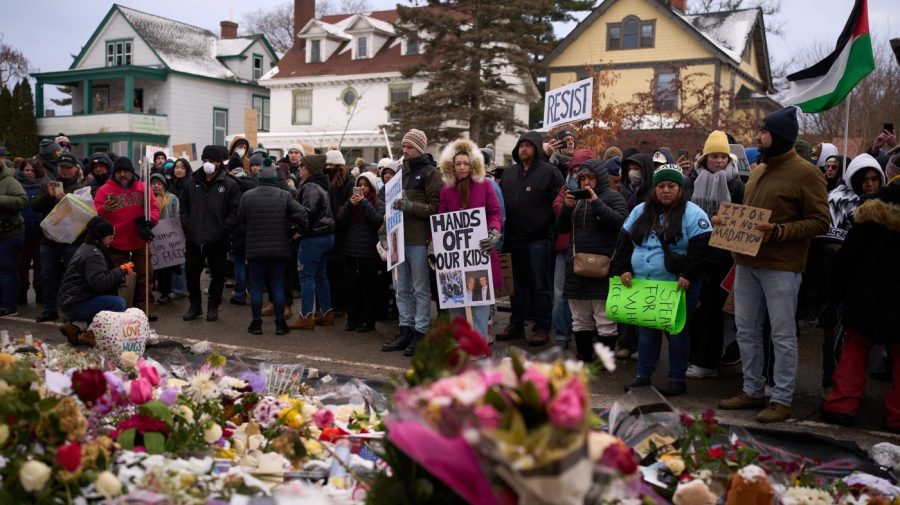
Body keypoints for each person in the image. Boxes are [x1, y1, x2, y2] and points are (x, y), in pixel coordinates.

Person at [718, 106, 830, 423]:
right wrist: (725, 222)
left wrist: (779, 232)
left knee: (781, 334)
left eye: (763, 132)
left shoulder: (807, 173)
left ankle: (781, 399)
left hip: (782, 266)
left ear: (779, 136)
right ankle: (752, 390)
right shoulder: (757, 171)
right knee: (746, 330)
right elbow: (747, 215)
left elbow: (821, 221)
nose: (757, 137)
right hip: (747, 262)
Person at [613, 164, 711, 396]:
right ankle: (642, 375)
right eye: (661, 186)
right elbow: (624, 242)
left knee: (677, 333)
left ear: (680, 188)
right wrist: (623, 268)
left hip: (677, 285)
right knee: (647, 333)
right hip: (644, 284)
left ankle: (677, 379)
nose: (666, 190)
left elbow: (700, 250)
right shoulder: (640, 211)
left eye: (671, 186)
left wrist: (688, 275)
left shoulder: (694, 214)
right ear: (654, 189)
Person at [820, 180, 900, 431]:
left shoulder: (867, 218)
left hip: (864, 295)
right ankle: (897, 417)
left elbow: (846, 260)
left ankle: (841, 407)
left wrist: (835, 294)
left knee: (854, 350)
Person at [818, 153, 885, 388]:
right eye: (864, 179)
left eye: (874, 179)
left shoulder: (885, 204)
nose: (869, 184)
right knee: (836, 333)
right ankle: (832, 383)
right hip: (839, 278)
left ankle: (853, 386)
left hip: (871, 282)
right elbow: (828, 241)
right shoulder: (837, 199)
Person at [686, 131, 745, 379]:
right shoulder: (691, 182)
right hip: (696, 253)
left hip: (722, 258)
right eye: (714, 156)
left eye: (723, 156)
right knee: (695, 310)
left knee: (712, 311)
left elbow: (741, 220)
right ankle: (693, 357)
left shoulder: (736, 185)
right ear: (705, 158)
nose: (719, 161)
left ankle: (707, 362)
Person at [496, 131, 564, 346]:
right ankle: (516, 324)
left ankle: (542, 327)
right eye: (521, 145)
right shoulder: (509, 172)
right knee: (516, 286)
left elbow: (559, 204)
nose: (523, 149)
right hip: (513, 238)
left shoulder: (550, 172)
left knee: (541, 285)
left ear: (536, 148)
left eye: (528, 145)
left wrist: (550, 229)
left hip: (539, 239)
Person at [557, 159, 628, 362]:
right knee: (579, 319)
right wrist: (567, 207)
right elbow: (560, 229)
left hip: (603, 268)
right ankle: (584, 356)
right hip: (577, 269)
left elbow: (620, 223)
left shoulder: (614, 197)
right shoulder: (576, 200)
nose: (586, 182)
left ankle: (605, 360)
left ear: (600, 178)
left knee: (605, 320)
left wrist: (596, 203)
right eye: (582, 178)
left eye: (591, 178)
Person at [380, 129, 442, 355]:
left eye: (409, 147)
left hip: (418, 239)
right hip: (398, 237)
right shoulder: (400, 172)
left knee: (420, 289)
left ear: (419, 148)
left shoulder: (430, 173)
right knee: (401, 288)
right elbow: (389, 204)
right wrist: (385, 227)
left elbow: (435, 208)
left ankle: (421, 331)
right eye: (404, 146)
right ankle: (405, 328)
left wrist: (410, 206)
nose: (404, 150)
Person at [436, 138, 503, 342]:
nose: (462, 167)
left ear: (472, 164)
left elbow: (495, 212)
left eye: (466, 163)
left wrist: (494, 232)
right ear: (452, 165)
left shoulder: (485, 185)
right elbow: (441, 219)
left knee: (479, 301)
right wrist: (434, 245)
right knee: (455, 301)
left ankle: (479, 343)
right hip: (455, 257)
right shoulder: (446, 190)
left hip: (478, 252)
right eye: (458, 163)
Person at [238, 163, 307, 336]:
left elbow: (241, 219)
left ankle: (256, 324)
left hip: (254, 248)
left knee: (256, 286)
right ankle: (280, 324)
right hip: (279, 248)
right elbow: (301, 213)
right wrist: (296, 230)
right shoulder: (284, 195)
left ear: (259, 177)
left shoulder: (247, 196)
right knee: (277, 285)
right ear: (274, 178)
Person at [180, 145, 242, 322]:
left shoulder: (229, 184)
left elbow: (234, 211)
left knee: (218, 274)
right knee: (191, 273)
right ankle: (195, 306)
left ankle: (213, 307)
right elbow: (184, 207)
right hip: (194, 238)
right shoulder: (191, 182)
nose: (208, 164)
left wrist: (224, 230)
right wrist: (187, 226)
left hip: (218, 239)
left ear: (219, 163)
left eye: (212, 161)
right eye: (205, 160)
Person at [94, 157, 160, 318]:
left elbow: (154, 208)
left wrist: (150, 222)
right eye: (119, 172)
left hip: (139, 241)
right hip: (115, 244)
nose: (122, 174)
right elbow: (94, 213)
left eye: (126, 171)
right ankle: (120, 309)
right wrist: (104, 209)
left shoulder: (143, 188)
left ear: (132, 172)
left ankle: (146, 308)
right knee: (117, 279)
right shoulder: (104, 190)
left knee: (145, 277)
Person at [32, 154, 86, 322]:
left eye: (68, 167)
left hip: (72, 239)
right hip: (49, 239)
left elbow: (87, 214)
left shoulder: (81, 188)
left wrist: (71, 202)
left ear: (76, 168)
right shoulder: (49, 185)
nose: (65, 170)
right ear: (57, 168)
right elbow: (35, 206)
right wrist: (48, 196)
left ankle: (71, 311)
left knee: (72, 276)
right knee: (48, 274)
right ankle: (49, 309)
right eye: (62, 167)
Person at [57, 217, 127, 346]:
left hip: (71, 300)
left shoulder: (86, 246)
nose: (112, 241)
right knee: (118, 303)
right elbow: (99, 283)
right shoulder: (94, 254)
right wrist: (120, 271)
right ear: (102, 237)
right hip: (75, 303)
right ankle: (91, 333)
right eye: (110, 237)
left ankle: (75, 327)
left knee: (104, 300)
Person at [551, 149, 594, 347]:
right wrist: (569, 204)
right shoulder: (565, 190)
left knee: (590, 296)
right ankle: (562, 334)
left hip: (590, 250)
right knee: (560, 293)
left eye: (583, 172)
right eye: (575, 171)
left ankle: (590, 337)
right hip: (565, 249)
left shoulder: (601, 193)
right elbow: (557, 207)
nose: (579, 176)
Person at [287, 154, 335, 330]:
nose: (299, 169)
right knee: (321, 275)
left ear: (310, 169)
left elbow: (307, 213)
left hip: (314, 237)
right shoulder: (321, 184)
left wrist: (297, 230)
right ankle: (326, 312)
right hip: (326, 235)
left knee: (306, 277)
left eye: (303, 166)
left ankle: (306, 315)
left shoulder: (310, 186)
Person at [335, 171, 384, 333]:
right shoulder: (350, 203)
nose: (362, 188)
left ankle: (367, 320)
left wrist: (364, 203)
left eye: (365, 185)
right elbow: (340, 221)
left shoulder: (378, 203)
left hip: (369, 252)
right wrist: (350, 204)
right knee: (351, 287)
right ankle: (352, 318)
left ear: (372, 188)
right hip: (350, 251)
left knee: (368, 288)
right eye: (360, 185)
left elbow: (377, 221)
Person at [324, 148, 355, 322]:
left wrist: (339, 217)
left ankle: (339, 305)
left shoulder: (348, 181)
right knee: (332, 271)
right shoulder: (329, 180)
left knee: (339, 272)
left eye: (330, 165)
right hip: (333, 229)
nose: (327, 168)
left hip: (342, 231)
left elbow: (348, 206)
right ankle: (333, 304)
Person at [16, 158, 47, 305]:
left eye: (32, 170)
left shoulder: (45, 185)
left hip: (40, 231)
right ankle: (22, 291)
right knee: (22, 263)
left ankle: (40, 290)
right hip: (22, 230)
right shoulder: (16, 185)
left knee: (40, 264)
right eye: (26, 170)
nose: (29, 173)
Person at [148, 173, 180, 305]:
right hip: (150, 237)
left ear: (164, 186)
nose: (156, 186)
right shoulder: (146, 199)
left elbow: (176, 217)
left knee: (165, 268)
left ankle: (165, 293)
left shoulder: (172, 199)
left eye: (159, 183)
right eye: (153, 183)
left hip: (166, 238)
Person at [0, 160, 26, 317]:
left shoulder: (9, 181)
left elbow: (22, 200)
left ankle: (9, 306)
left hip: (9, 233)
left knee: (7, 270)